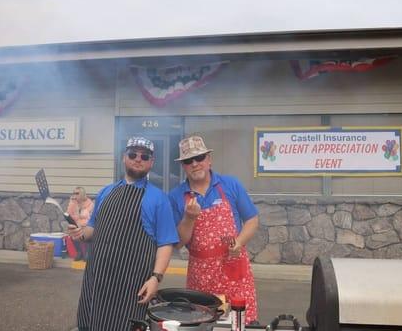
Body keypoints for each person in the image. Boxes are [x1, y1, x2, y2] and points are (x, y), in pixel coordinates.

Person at [67, 136, 178, 331]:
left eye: (144, 156)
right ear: (123, 158)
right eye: (133, 154)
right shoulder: (106, 192)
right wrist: (80, 233)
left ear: (151, 163)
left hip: (131, 286)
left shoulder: (159, 199)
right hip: (96, 280)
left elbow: (165, 244)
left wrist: (155, 278)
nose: (138, 159)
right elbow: (93, 229)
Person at [169, 135, 259, 324]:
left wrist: (239, 242)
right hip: (200, 277)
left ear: (209, 160)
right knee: (203, 324)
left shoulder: (230, 185)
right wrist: (189, 218)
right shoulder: (176, 196)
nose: (195, 164)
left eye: (200, 158)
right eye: (188, 160)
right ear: (183, 166)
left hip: (234, 270)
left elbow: (252, 219)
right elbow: (178, 243)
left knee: (238, 323)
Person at [67, 186, 94, 261]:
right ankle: (79, 252)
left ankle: (86, 254)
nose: (75, 195)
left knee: (83, 232)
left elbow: (90, 217)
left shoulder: (89, 203)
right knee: (73, 233)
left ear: (82, 194)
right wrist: (72, 203)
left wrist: (82, 222)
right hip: (77, 225)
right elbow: (69, 214)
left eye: (77, 193)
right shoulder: (74, 203)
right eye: (74, 193)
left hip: (87, 225)